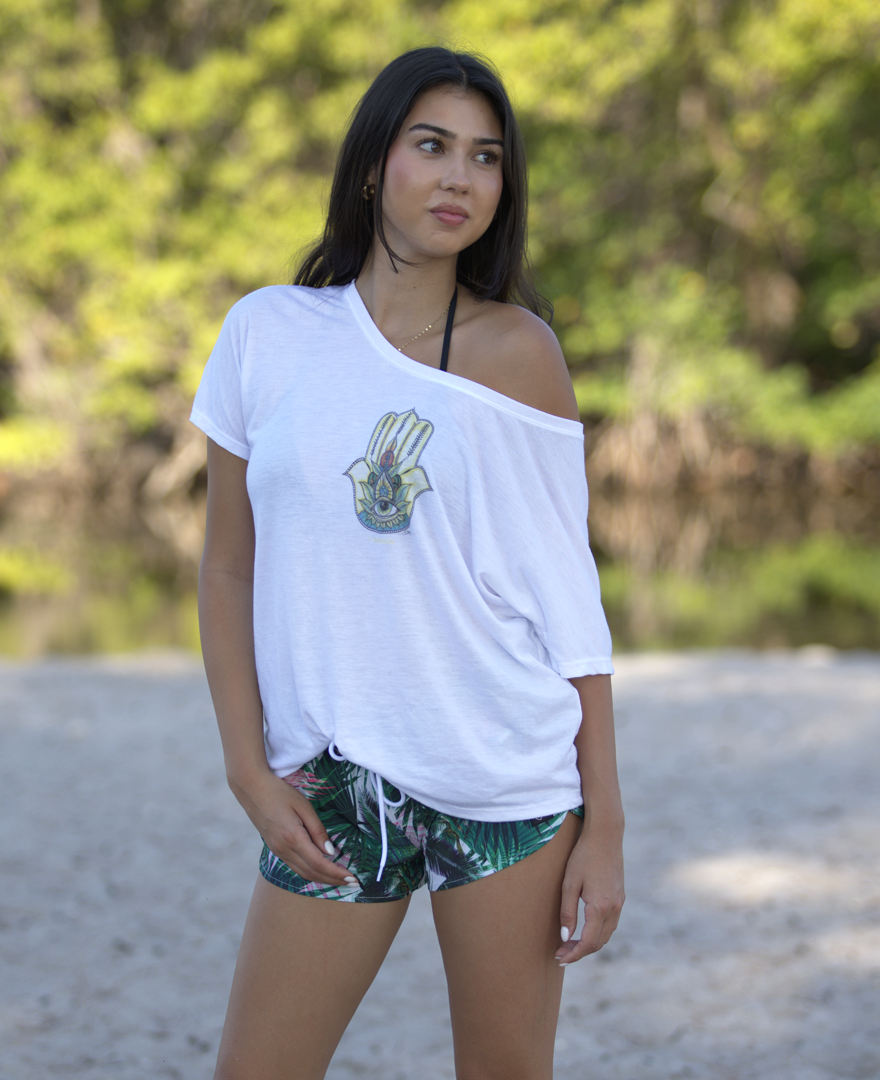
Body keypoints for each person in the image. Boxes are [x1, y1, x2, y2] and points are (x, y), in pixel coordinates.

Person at [192, 45, 624, 1080]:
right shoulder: (267, 333)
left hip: (506, 782)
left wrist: (604, 824)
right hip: (338, 780)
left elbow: (567, 601)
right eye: (432, 146)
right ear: (374, 163)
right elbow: (225, 569)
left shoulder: (518, 352)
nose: (459, 178)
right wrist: (249, 767)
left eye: (485, 157)